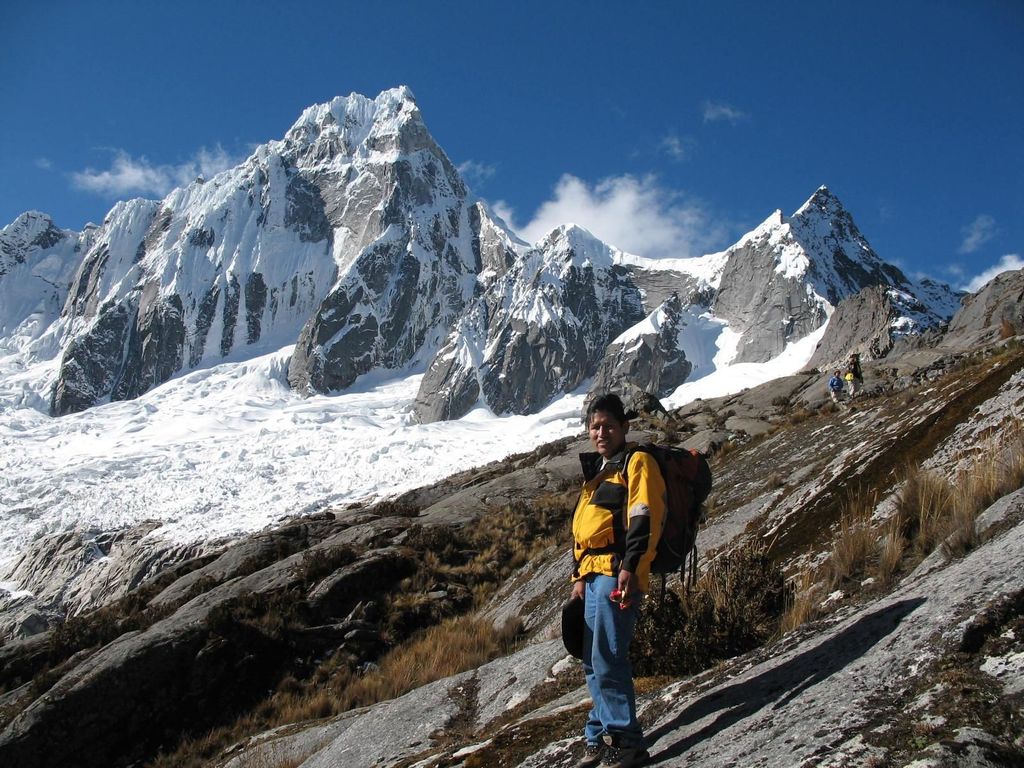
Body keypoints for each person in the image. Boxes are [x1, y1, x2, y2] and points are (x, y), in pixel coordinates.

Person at [569, 393, 665, 768]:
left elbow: (643, 515)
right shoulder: (599, 469)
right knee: (592, 661)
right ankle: (599, 733)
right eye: (595, 426)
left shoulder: (635, 462)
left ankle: (625, 741)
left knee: (608, 655)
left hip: (615, 575)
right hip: (593, 576)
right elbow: (583, 531)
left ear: (624, 427)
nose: (600, 432)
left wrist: (631, 566)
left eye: (608, 425)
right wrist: (578, 575)